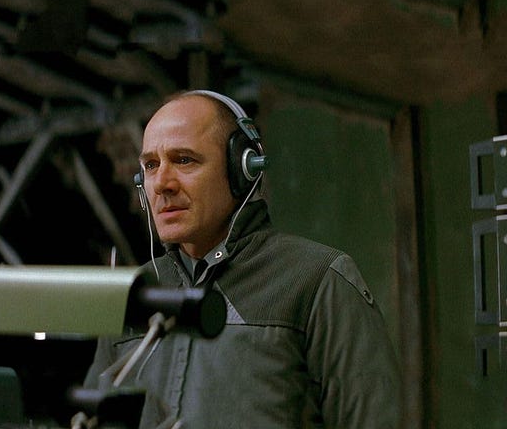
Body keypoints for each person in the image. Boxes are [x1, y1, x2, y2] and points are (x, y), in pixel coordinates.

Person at [83, 90, 401, 428]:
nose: (162, 183)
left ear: (242, 168)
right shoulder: (134, 295)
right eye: (150, 165)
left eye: (184, 160)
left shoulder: (317, 281)